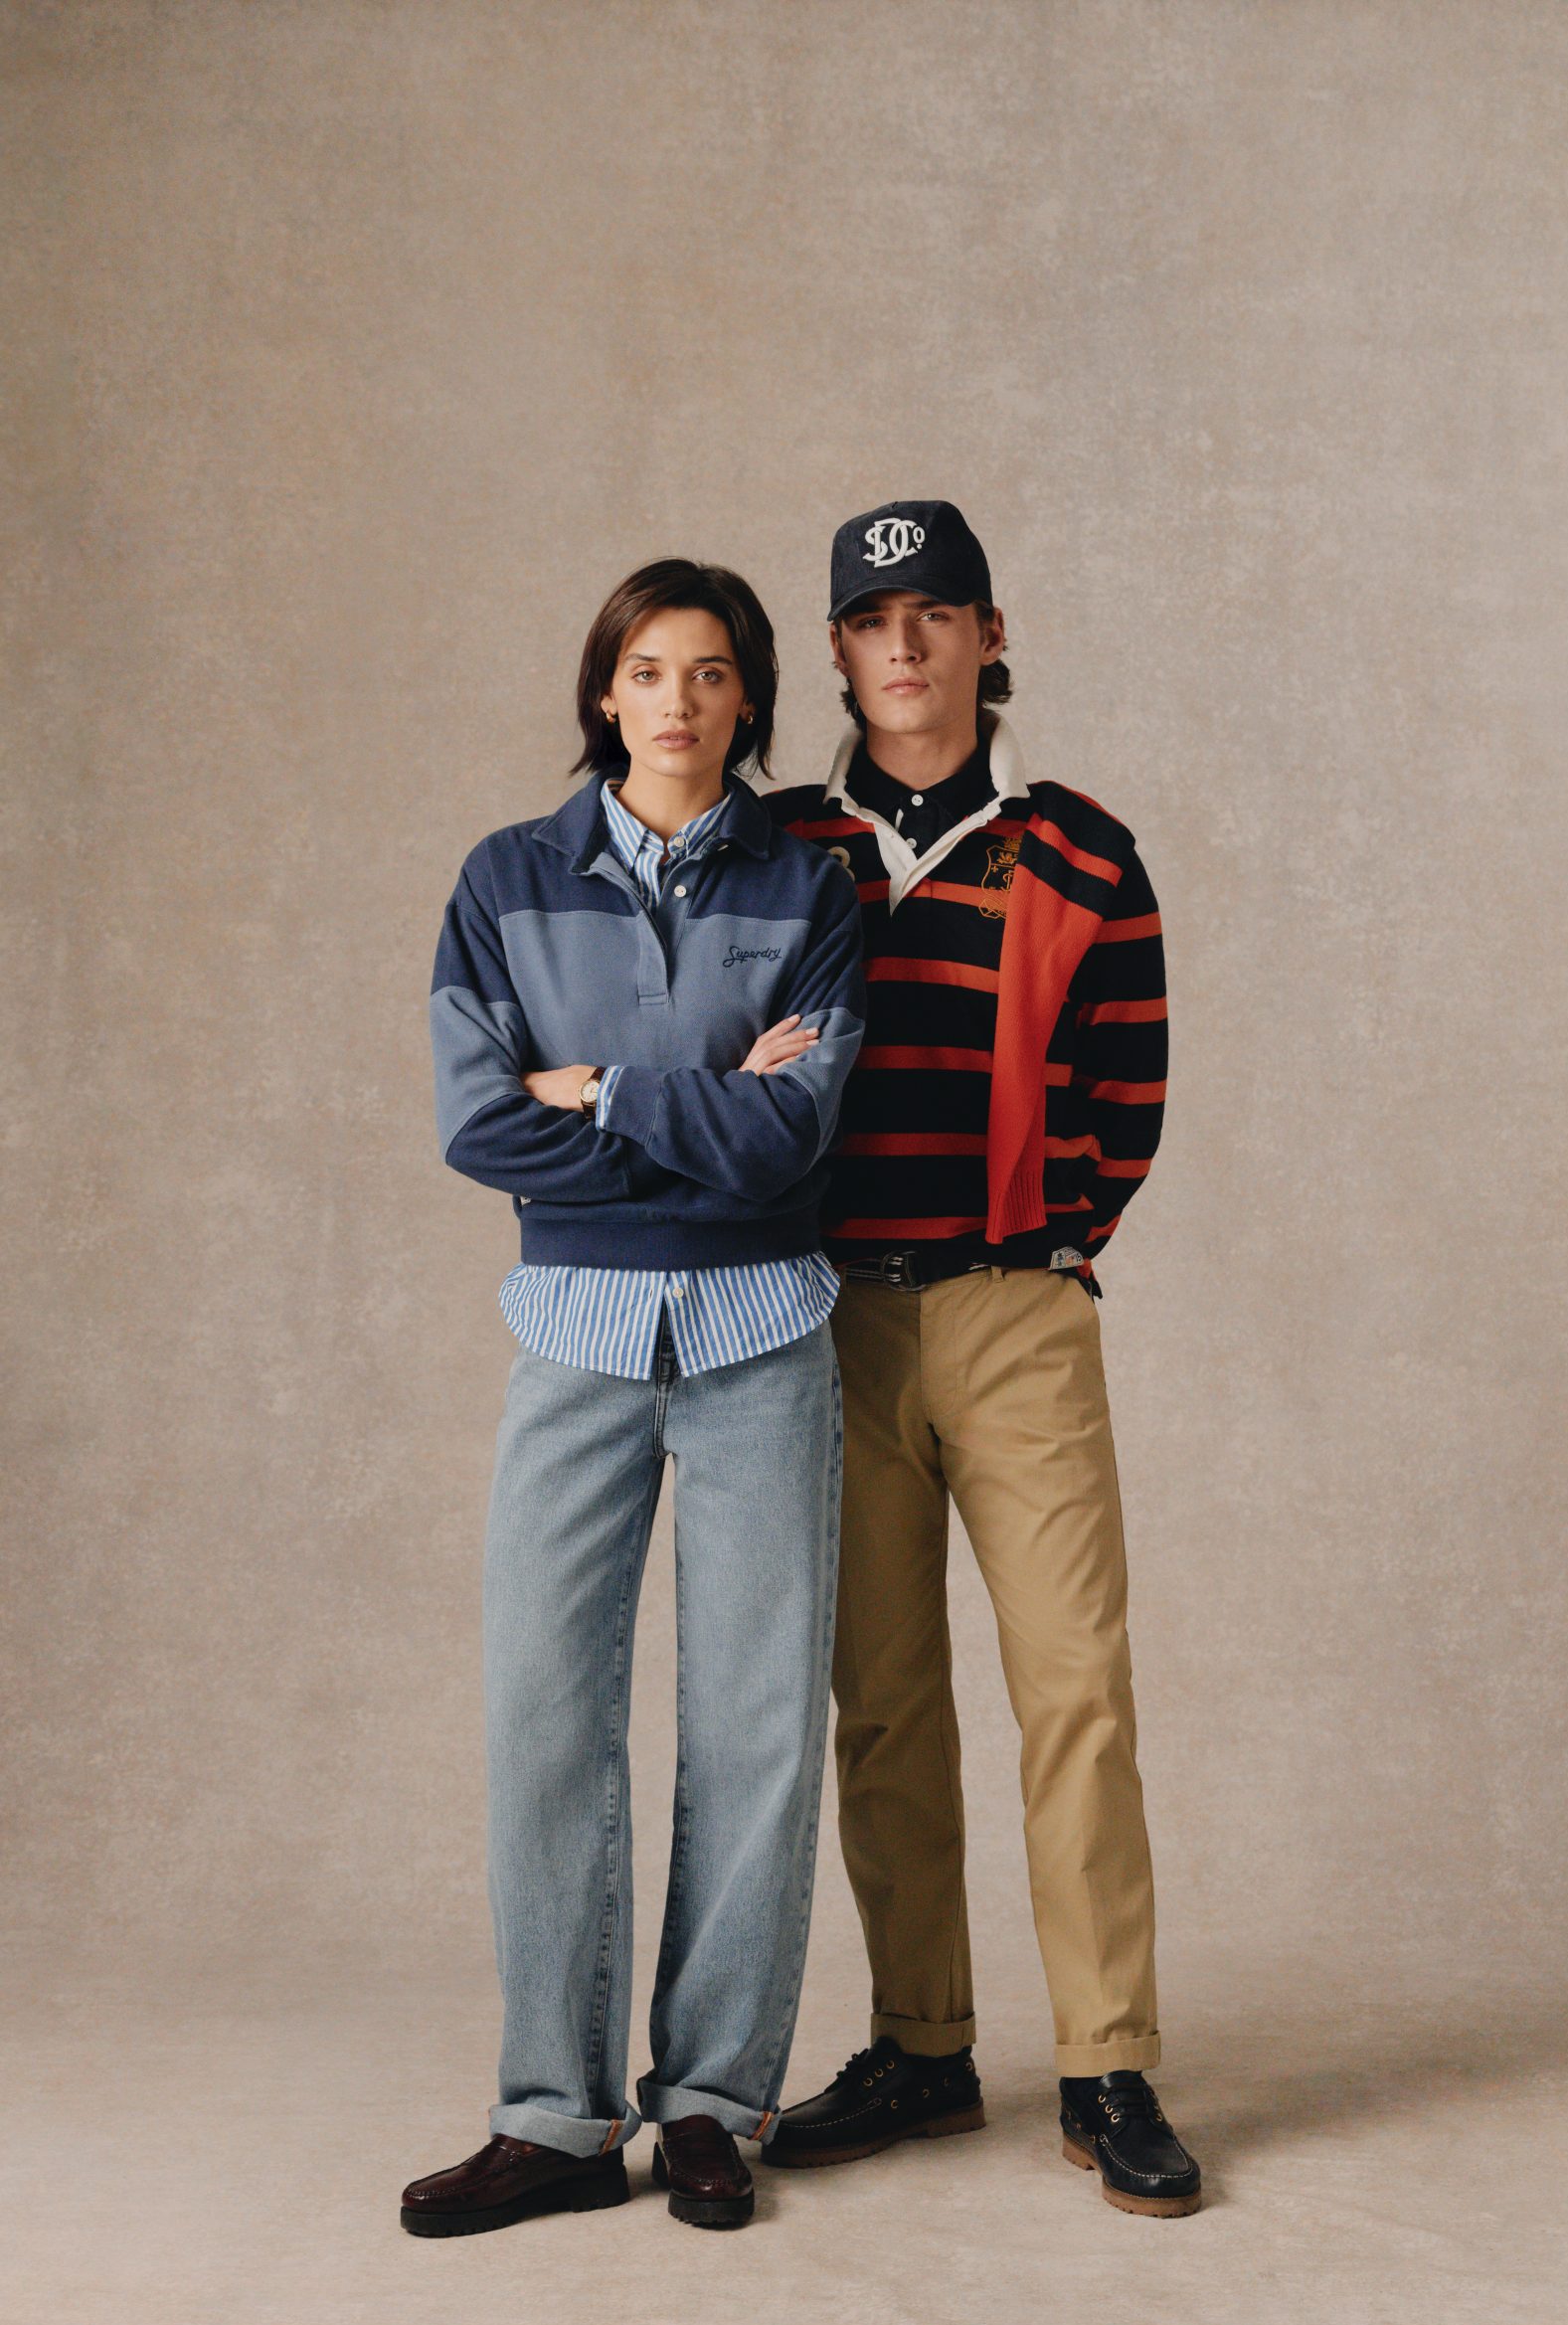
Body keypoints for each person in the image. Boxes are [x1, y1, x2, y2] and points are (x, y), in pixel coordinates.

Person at [403, 559, 863, 2236]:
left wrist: (595, 1088)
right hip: (577, 1337)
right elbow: (480, 1124)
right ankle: (557, 2119)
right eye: (649, 669)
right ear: (605, 691)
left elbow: (792, 1140)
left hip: (765, 1339)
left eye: (713, 672)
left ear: (750, 701)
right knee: (544, 1720)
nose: (680, 699)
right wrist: (699, 1097)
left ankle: (714, 2103)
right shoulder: (504, 879)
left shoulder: (811, 890)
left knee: (755, 1730)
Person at [761, 500, 1200, 2218]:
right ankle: (923, 2044)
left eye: (937, 613)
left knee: (1075, 1687)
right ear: (840, 648)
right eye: (876, 619)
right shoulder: (778, 847)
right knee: (880, 1699)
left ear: (988, 636)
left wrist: (1048, 1233)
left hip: (1016, 1312)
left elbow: (1128, 1092)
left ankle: (1108, 2063)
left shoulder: (1082, 852)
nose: (907, 645)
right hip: (827, 1317)